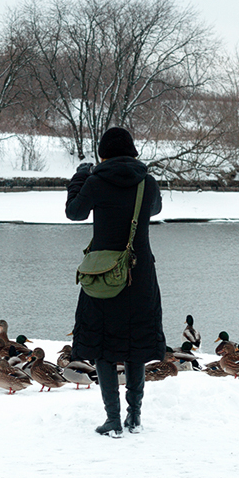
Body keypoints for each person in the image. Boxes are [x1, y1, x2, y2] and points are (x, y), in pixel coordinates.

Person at [65, 127, 165, 438]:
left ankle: (113, 419)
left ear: (102, 153)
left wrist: (80, 178)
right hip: (140, 275)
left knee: (102, 346)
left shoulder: (95, 181)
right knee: (135, 346)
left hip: (103, 275)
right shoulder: (146, 182)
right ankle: (135, 417)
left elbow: (74, 212)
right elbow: (157, 208)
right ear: (133, 152)